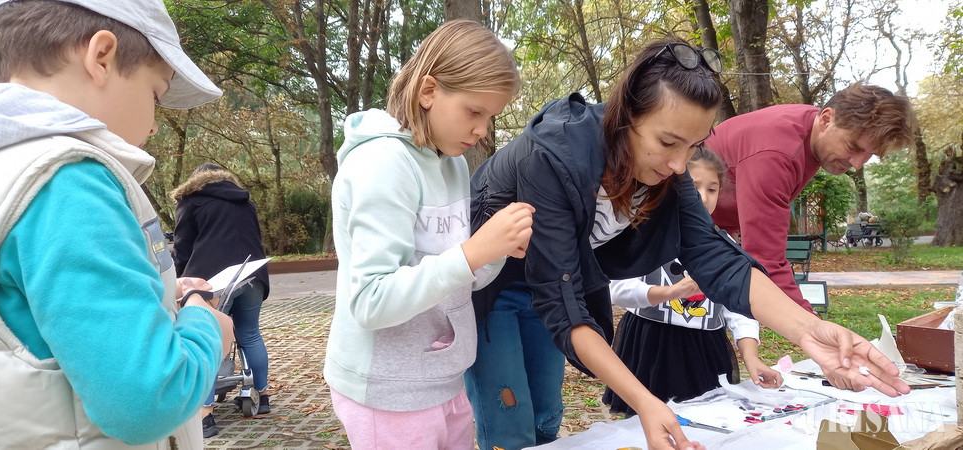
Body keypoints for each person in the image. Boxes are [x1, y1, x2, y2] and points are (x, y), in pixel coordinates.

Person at [466, 39, 910, 450]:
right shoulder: (552, 156)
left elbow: (716, 256)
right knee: (509, 420)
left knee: (545, 415)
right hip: (495, 286)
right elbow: (563, 300)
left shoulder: (669, 167)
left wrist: (811, 332)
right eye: (668, 142)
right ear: (626, 115)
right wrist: (644, 401)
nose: (680, 166)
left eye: (694, 145)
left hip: (555, 286)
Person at [0, 0, 234, 447]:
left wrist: (154, 292)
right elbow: (147, 399)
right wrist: (204, 325)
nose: (154, 125)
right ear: (101, 57)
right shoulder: (67, 181)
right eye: (156, 94)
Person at [323, 20, 534, 449]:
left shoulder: (451, 161)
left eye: (490, 117)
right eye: (474, 112)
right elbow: (371, 301)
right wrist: (471, 252)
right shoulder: (383, 164)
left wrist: (494, 252)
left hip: (442, 379)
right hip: (389, 392)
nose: (482, 130)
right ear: (428, 91)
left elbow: (455, 277)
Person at [602, 147, 782, 417]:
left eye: (712, 189)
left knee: (707, 421)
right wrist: (671, 292)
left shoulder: (724, 247)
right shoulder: (643, 236)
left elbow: (739, 308)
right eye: (695, 186)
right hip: (651, 345)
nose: (703, 197)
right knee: (647, 422)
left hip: (705, 350)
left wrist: (751, 357)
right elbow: (618, 290)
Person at [705, 83, 915, 312]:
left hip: (713, 233)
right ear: (826, 119)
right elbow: (766, 261)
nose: (857, 164)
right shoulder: (777, 153)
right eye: (852, 147)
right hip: (681, 226)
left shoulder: (812, 132)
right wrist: (811, 322)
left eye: (869, 155)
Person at [171, 162, 272, 437]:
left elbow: (182, 247)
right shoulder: (245, 201)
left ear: (195, 180)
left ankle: (205, 416)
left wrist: (180, 283)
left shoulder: (191, 201)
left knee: (210, 337)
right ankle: (262, 397)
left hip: (212, 278)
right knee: (250, 333)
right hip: (252, 273)